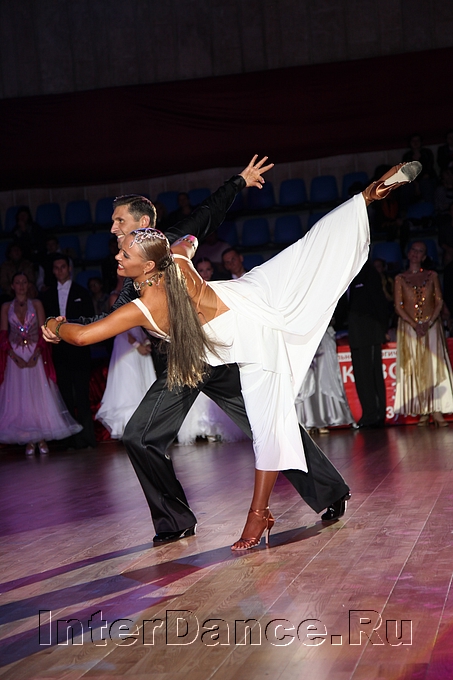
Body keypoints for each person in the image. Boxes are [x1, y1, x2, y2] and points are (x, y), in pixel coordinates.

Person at [43, 161, 423, 550]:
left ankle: (282, 506)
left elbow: (89, 332)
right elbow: (187, 243)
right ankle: (175, 521)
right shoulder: (168, 254)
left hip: (245, 336)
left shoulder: (152, 283)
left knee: (270, 423)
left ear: (143, 233)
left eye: (120, 226)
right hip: (203, 344)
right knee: (140, 434)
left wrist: (56, 324)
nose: (114, 240)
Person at [0, 272, 82, 454]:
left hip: (35, 355)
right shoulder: (6, 307)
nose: (21, 285)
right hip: (15, 358)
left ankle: (41, 437)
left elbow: (43, 331)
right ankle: (29, 439)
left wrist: (35, 355)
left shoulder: (36, 304)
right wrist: (15, 357)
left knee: (38, 395)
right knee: (20, 397)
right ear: (12, 286)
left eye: (24, 282)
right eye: (17, 282)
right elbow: (3, 335)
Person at [393, 241, 453, 426]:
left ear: (424, 256)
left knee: (433, 365)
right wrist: (414, 324)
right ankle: (423, 409)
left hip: (431, 325)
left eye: (420, 251)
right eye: (413, 249)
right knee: (416, 366)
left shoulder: (431, 275)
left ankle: (436, 409)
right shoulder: (400, 278)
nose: (415, 253)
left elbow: (439, 301)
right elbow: (398, 306)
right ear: (408, 252)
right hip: (409, 327)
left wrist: (429, 322)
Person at [41, 255, 96, 448]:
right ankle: (68, 440)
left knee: (82, 395)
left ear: (69, 268)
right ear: (53, 271)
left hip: (79, 351)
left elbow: (89, 318)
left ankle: (87, 438)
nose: (60, 270)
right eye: (56, 267)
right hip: (59, 352)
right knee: (64, 396)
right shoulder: (47, 295)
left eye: (63, 266)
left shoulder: (82, 292)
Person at [296, 324, 355, 434]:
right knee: (306, 382)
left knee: (322, 378)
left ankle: (320, 420)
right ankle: (307, 420)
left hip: (320, 334)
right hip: (301, 335)